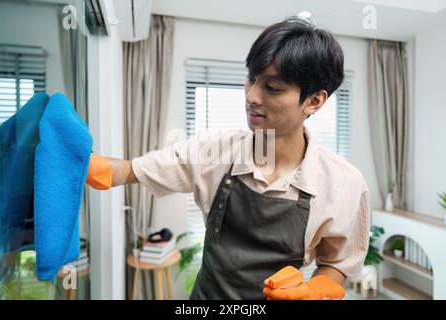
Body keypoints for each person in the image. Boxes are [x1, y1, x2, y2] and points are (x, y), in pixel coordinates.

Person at [86, 17, 370, 300]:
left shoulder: (345, 184)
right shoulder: (213, 152)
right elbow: (126, 171)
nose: (251, 96)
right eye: (252, 78)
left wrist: (315, 290)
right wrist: (81, 162)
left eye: (272, 88)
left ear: (313, 101)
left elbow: (336, 263)